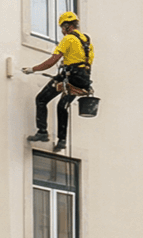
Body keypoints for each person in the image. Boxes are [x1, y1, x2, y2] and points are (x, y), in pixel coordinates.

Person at [24, 11, 94, 152]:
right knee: (62, 106)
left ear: (67, 26)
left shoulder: (69, 39)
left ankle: (42, 132)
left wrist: (33, 69)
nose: (62, 31)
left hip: (70, 76)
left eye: (62, 28)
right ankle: (62, 141)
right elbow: (86, 61)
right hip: (83, 80)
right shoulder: (86, 41)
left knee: (41, 99)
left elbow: (52, 61)